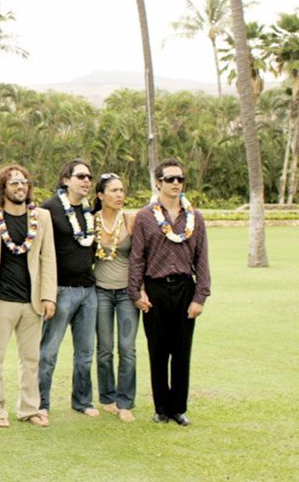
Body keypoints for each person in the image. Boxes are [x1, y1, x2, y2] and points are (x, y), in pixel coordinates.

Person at [128, 158, 210, 426]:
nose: (176, 183)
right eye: (170, 179)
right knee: (158, 350)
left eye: (180, 179)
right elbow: (137, 258)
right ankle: (161, 407)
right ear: (158, 182)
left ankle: (179, 408)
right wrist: (137, 293)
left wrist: (200, 297)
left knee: (182, 351)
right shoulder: (144, 217)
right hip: (156, 289)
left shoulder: (194, 217)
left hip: (185, 288)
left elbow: (202, 259)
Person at [0, 165, 56, 428]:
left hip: (32, 301)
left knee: (31, 358)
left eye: (24, 182)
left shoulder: (42, 217)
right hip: (0, 299)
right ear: (3, 188)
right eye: (14, 183)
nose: (20, 187)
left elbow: (49, 259)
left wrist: (48, 297)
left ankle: (29, 409)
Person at [38, 158, 100, 419]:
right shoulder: (49, 209)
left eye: (89, 177)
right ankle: (40, 402)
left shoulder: (89, 211)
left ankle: (82, 401)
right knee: (48, 352)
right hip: (60, 291)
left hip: (89, 290)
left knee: (85, 353)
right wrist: (46, 293)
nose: (86, 181)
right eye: (80, 176)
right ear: (66, 180)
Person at [92, 173, 138, 423]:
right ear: (101, 195)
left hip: (126, 293)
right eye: (114, 191)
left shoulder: (131, 221)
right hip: (100, 291)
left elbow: (141, 257)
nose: (120, 195)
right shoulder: (90, 221)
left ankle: (125, 401)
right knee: (105, 349)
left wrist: (141, 289)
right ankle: (108, 397)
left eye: (122, 190)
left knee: (127, 348)